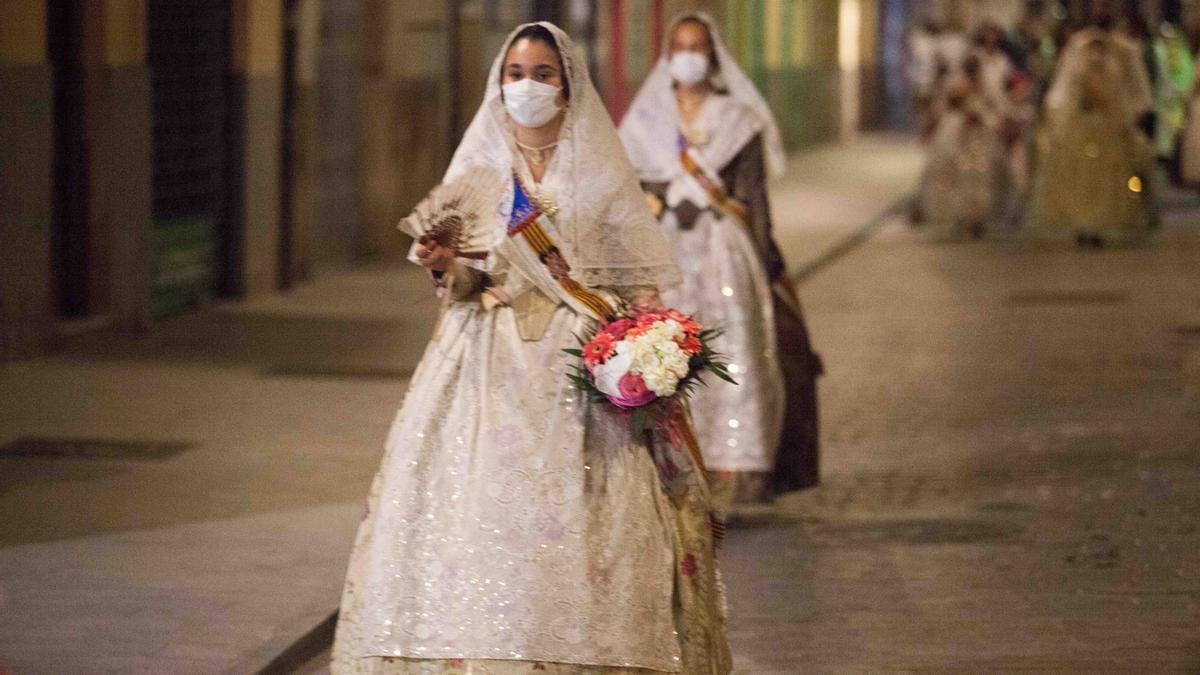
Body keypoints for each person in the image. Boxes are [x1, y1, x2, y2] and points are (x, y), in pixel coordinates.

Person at [332, 22, 731, 674]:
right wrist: (443, 264)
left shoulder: (598, 168)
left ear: (567, 86)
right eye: (514, 74)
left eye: (542, 74)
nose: (526, 87)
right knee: (478, 502)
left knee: (584, 507)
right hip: (487, 359)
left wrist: (643, 347)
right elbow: (466, 283)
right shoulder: (481, 167)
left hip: (578, 369)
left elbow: (634, 280)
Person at [619, 12, 822, 509]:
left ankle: (731, 467)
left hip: (723, 254)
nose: (688, 55)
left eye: (698, 46)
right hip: (666, 255)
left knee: (732, 352)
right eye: (680, 46)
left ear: (712, 56)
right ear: (667, 57)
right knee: (666, 353)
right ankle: (670, 463)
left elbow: (753, 197)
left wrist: (765, 258)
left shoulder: (737, 121)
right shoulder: (646, 122)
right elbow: (628, 194)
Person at [1028, 12, 1156, 247]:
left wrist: (1131, 116)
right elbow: (1063, 87)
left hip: (1112, 126)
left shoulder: (1124, 50)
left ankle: (1102, 223)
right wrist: (1058, 115)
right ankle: (1085, 223)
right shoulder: (1077, 48)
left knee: (1112, 179)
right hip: (1081, 125)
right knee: (1083, 178)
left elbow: (1136, 88)